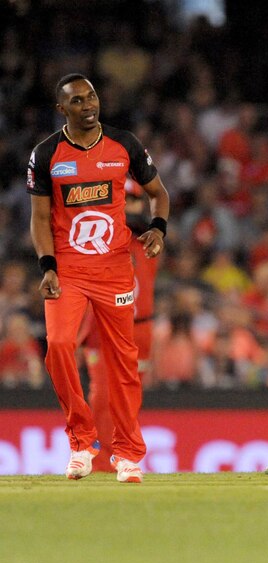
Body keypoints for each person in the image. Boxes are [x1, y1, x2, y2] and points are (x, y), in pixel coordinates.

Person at [27, 73, 170, 483]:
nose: (88, 105)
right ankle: (80, 442)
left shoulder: (124, 144)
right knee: (57, 344)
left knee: (121, 363)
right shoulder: (46, 153)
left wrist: (159, 228)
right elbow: (39, 219)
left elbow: (160, 193)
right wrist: (47, 266)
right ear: (62, 109)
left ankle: (127, 454)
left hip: (113, 270)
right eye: (77, 101)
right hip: (68, 269)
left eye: (91, 97)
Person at [81, 183, 161, 471]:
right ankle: (103, 465)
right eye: (122, 200)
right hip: (104, 328)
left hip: (140, 329)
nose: (128, 207)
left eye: (133, 201)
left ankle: (125, 458)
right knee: (102, 397)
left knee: (129, 399)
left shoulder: (149, 242)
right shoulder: (96, 240)